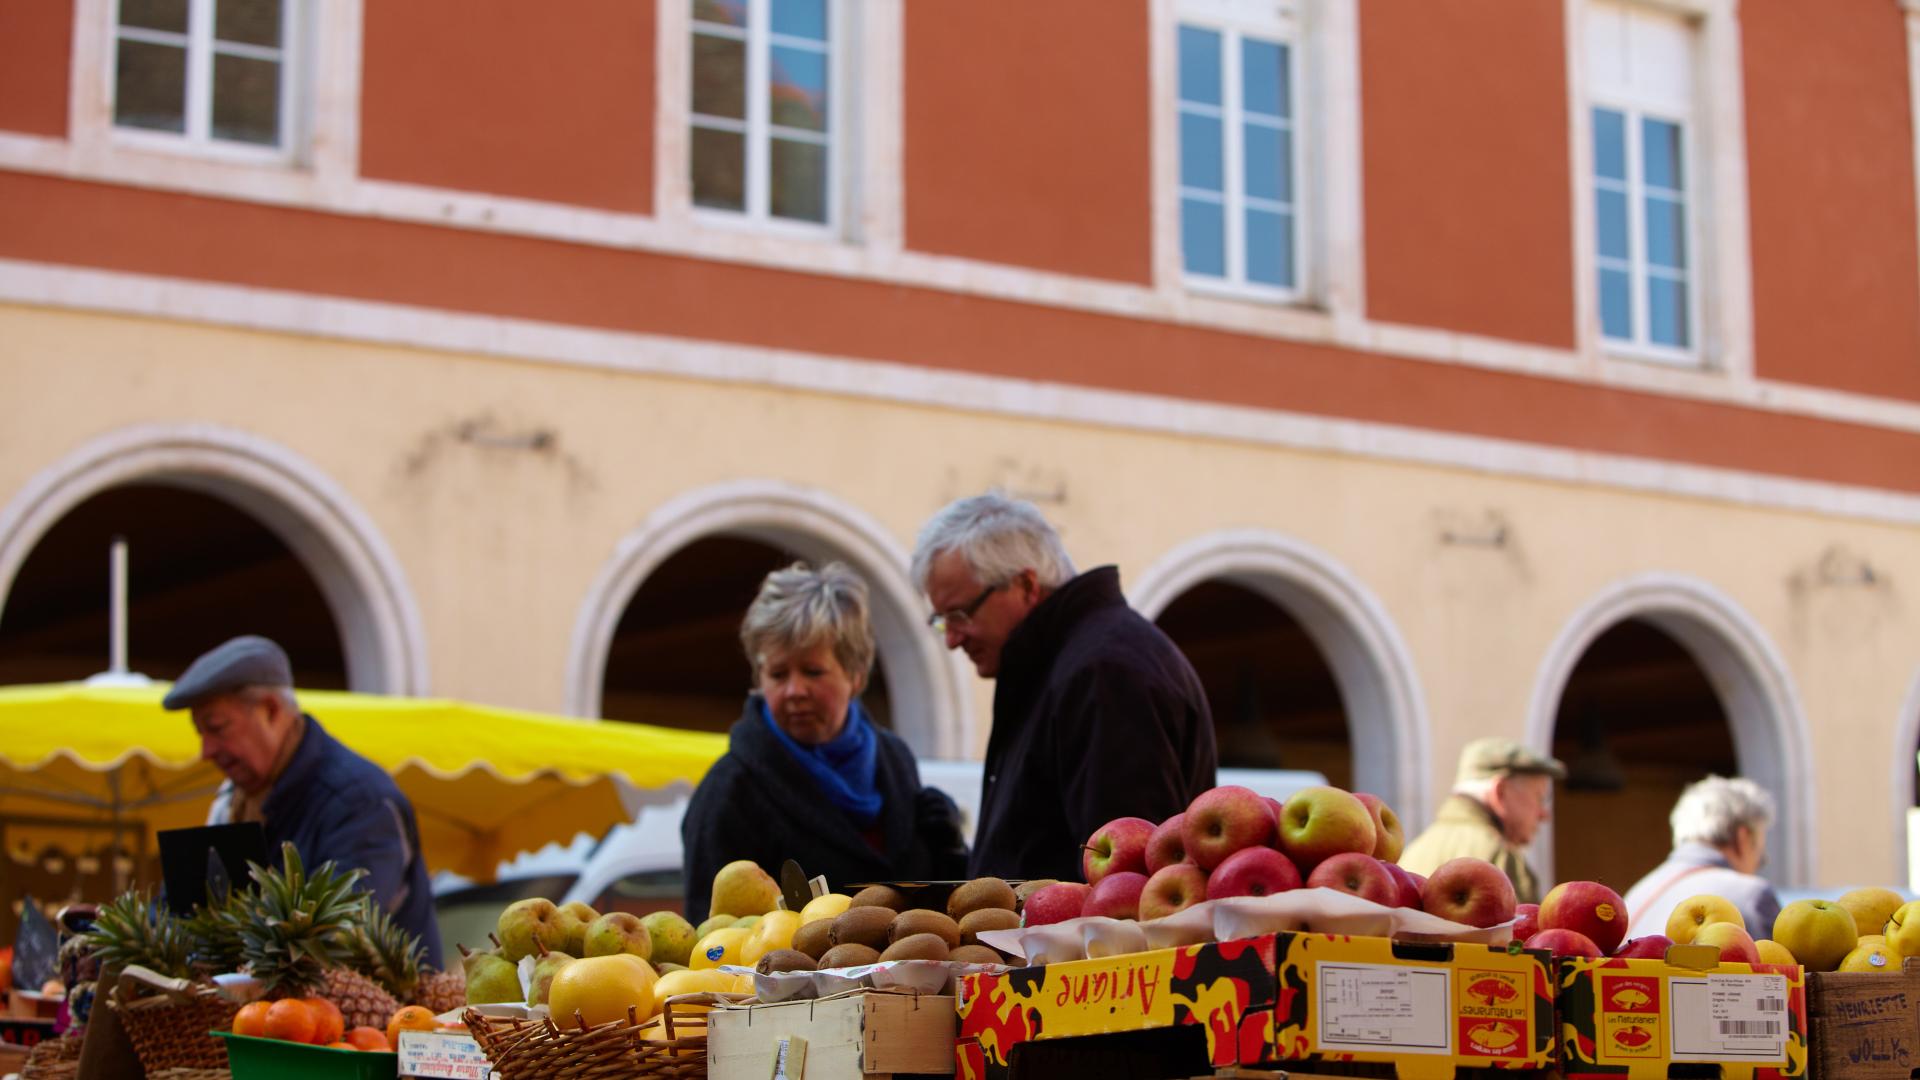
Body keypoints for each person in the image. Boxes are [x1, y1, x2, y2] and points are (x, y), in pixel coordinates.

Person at [911, 494, 1216, 882]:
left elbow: (1123, 881)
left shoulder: (1103, 673)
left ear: (1025, 585)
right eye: (941, 620)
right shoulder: (1072, 664)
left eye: (960, 614)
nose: (952, 639)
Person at [681, 563, 968, 922]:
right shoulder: (730, 792)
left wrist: (950, 851)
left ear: (856, 674)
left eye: (813, 672)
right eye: (778, 673)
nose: (794, 691)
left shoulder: (894, 759)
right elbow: (712, 941)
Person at [163, 635, 441, 966]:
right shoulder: (233, 800)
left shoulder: (359, 800)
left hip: (384, 1014)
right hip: (270, 1012)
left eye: (218, 728)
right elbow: (187, 910)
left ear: (271, 710)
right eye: (201, 734)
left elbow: (336, 935)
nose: (206, 752)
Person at [1400, 737, 1563, 905]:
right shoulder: (1499, 856)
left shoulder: (1416, 848)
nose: (1544, 814)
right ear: (1500, 792)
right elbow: (1522, 929)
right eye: (1540, 798)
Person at [1623, 775, 1781, 940]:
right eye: (1761, 859)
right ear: (1743, 839)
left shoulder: (1635, 896)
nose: (1757, 866)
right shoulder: (1752, 896)